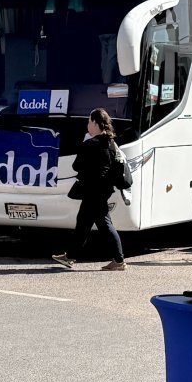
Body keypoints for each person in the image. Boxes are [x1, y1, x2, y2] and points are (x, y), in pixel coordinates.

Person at [55, 109, 126, 272]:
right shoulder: (111, 143)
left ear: (95, 123)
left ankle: (119, 260)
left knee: (104, 225)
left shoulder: (91, 144)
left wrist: (85, 144)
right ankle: (70, 256)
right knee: (83, 223)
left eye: (89, 121)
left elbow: (76, 165)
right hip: (103, 189)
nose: (87, 125)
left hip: (93, 190)